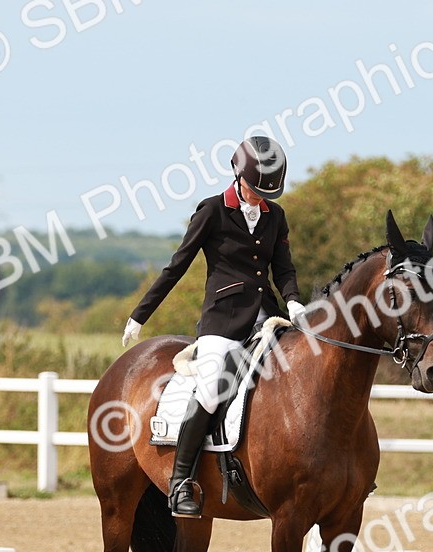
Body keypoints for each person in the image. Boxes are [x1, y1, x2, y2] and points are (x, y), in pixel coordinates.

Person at [122, 136, 306, 518]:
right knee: (209, 391)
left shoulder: (276, 215)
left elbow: (283, 268)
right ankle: (181, 481)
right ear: (239, 177)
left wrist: (293, 300)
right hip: (223, 320)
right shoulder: (212, 211)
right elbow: (177, 266)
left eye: (265, 194)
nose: (259, 199)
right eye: (255, 191)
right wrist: (140, 314)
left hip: (268, 317)